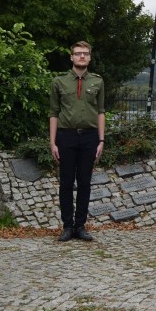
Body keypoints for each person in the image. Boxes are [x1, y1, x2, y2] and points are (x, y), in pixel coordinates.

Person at [49, 41, 105, 242]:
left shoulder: (98, 82)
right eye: (78, 53)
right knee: (65, 183)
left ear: (90, 57)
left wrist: (101, 139)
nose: (82, 56)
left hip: (89, 137)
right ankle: (67, 226)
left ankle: (80, 226)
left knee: (84, 183)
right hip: (66, 136)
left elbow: (100, 111)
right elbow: (54, 112)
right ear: (71, 57)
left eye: (85, 53)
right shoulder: (59, 81)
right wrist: (53, 142)